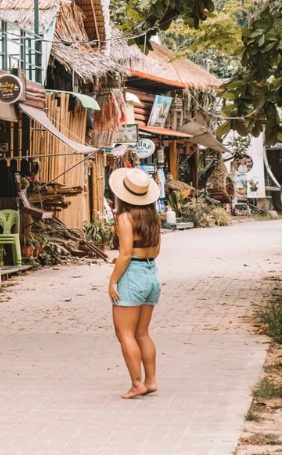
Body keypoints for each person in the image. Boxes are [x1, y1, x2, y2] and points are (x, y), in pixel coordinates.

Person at [108, 166, 162, 399]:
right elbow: (156, 251)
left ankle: (137, 383)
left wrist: (113, 280)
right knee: (142, 332)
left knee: (125, 333)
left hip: (133, 274)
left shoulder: (125, 217)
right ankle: (150, 381)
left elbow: (126, 255)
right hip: (151, 273)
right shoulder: (153, 217)